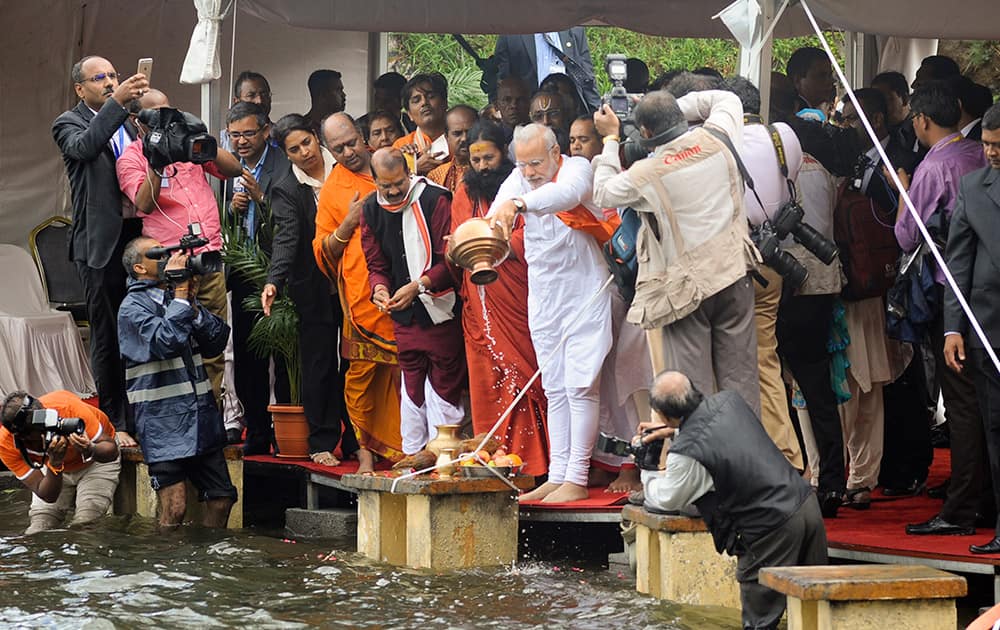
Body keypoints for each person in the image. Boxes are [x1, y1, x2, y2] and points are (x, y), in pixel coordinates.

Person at [592, 89, 762, 422]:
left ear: (645, 134)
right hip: (734, 273)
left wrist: (612, 139)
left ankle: (701, 470)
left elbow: (603, 192)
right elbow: (725, 98)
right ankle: (746, 468)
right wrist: (668, 106)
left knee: (692, 393)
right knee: (742, 385)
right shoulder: (719, 136)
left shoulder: (648, 172)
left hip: (688, 291)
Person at [639, 371, 827, 630]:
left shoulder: (686, 454)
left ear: (662, 415)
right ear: (694, 391)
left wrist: (647, 469)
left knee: (760, 623)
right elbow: (717, 435)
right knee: (815, 615)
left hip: (769, 528)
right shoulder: (730, 401)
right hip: (805, 505)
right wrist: (675, 432)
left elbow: (667, 499)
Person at [489, 124, 613, 503]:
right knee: (554, 387)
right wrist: (494, 223)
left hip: (586, 291)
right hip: (544, 297)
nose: (529, 173)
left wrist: (520, 205)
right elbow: (499, 209)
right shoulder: (518, 177)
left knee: (580, 385)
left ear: (556, 152)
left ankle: (576, 477)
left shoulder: (576, 169)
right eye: (523, 165)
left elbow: (566, 195)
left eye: (536, 163)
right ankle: (557, 475)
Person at [896, 84, 989, 537]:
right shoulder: (976, 154)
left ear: (921, 121)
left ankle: (963, 506)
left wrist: (903, 192)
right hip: (978, 295)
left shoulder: (934, 166)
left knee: (963, 403)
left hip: (950, 294)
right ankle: (980, 498)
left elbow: (907, 235)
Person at [116, 89, 243, 405]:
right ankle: (184, 420)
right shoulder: (131, 156)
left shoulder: (188, 145)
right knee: (178, 342)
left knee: (213, 340)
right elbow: (144, 201)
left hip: (208, 254)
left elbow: (234, 169)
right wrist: (156, 161)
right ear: (138, 121)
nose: (166, 118)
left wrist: (200, 137)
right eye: (156, 113)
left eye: (168, 110)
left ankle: (211, 417)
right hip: (169, 263)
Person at [51, 55, 149, 449]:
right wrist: (116, 104)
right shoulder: (68, 122)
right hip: (99, 244)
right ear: (80, 88)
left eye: (113, 75)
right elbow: (86, 147)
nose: (110, 82)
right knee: (107, 332)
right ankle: (114, 420)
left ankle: (143, 415)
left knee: (140, 327)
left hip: (138, 234)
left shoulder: (129, 119)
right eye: (99, 78)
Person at [449, 121, 548, 476]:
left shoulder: (521, 187)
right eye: (475, 160)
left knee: (523, 371)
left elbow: (531, 236)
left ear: (503, 154)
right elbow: (458, 238)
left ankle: (535, 463)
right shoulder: (465, 191)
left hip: (518, 290)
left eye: (488, 158)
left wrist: (498, 246)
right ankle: (495, 456)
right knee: (488, 376)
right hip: (478, 300)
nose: (481, 167)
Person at [117, 237, 236, 528]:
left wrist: (192, 306)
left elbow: (217, 342)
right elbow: (165, 342)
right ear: (139, 269)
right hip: (162, 424)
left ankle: (208, 564)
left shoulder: (178, 299)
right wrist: (181, 298)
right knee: (176, 505)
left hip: (200, 419)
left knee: (222, 498)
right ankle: (167, 566)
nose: (167, 260)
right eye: (156, 255)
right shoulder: (131, 309)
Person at [262, 114, 358, 467]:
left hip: (355, 281)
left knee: (355, 360)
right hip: (314, 285)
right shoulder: (286, 187)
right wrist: (274, 279)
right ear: (285, 154)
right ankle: (321, 439)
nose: (304, 152)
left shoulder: (345, 168)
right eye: (294, 149)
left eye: (307, 142)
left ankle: (357, 439)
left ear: (317, 138)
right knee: (318, 363)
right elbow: (286, 237)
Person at [723, 76, 805, 471]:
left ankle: (744, 461)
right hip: (773, 259)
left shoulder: (719, 142)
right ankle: (787, 457)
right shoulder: (782, 135)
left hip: (732, 263)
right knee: (765, 360)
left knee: (727, 364)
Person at [361, 148, 466, 454]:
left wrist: (418, 286)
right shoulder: (371, 208)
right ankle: (414, 454)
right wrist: (380, 290)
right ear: (374, 181)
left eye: (398, 183)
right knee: (411, 382)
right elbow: (376, 265)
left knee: (445, 380)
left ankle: (443, 455)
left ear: (409, 174)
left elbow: (453, 260)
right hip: (403, 314)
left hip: (440, 308)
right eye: (385, 186)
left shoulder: (435, 199)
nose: (393, 192)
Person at [314, 113, 403, 473]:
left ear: (362, 135)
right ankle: (365, 454)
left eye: (352, 142)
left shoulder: (394, 165)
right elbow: (323, 250)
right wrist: (350, 221)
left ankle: (404, 450)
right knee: (361, 376)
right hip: (361, 299)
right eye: (338, 148)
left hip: (403, 288)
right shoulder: (334, 188)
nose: (348, 152)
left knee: (405, 373)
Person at [943, 104, 1000, 554]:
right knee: (995, 427)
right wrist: (952, 330)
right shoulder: (973, 187)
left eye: (999, 146)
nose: (991, 153)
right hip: (988, 328)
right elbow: (956, 262)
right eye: (987, 145)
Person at [223, 101, 292, 453]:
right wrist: (231, 209)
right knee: (248, 357)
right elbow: (219, 222)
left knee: (282, 357)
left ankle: (287, 432)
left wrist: (260, 198)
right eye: (235, 135)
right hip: (244, 271)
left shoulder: (283, 165)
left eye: (249, 133)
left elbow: (292, 216)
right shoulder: (228, 168)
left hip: (277, 271)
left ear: (266, 131)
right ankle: (258, 431)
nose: (241, 142)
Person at [0, 390, 120, 535]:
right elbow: (47, 495)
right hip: (51, 465)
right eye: (39, 430)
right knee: (38, 529)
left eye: (46, 422)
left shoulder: (67, 408)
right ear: (21, 437)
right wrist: (55, 463)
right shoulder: (6, 444)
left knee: (86, 523)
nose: (47, 430)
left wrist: (90, 448)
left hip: (95, 462)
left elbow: (111, 451)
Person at [494, 28, 601, 113]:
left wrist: (595, 109)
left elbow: (586, 73)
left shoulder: (573, 26)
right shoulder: (511, 30)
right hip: (531, 113)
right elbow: (502, 78)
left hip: (569, 110)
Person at [392, 74, 449, 176]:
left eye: (431, 97)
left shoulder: (460, 138)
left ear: (445, 102)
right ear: (409, 114)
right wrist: (415, 168)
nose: (424, 102)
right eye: (416, 100)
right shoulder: (401, 146)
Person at [427, 105, 478, 192]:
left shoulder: (491, 171)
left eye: (470, 132)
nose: (464, 138)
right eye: (457, 133)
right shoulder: (435, 176)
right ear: (447, 137)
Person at [357, 72, 415, 136]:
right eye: (377, 99)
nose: (379, 106)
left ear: (402, 101)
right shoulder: (361, 126)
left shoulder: (414, 124)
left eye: (386, 101)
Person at [786, 47, 836, 116]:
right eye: (821, 76)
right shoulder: (795, 114)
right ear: (797, 80)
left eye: (830, 75)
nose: (831, 81)